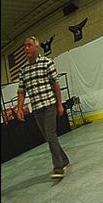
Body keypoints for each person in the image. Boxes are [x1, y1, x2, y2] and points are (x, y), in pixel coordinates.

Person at [15, 36, 70, 179]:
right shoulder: (23, 70)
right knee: (49, 137)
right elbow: (21, 91)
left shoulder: (47, 63)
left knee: (51, 135)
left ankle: (58, 168)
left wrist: (59, 104)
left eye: (29, 45)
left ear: (36, 47)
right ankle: (64, 159)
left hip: (49, 106)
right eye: (25, 46)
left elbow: (55, 84)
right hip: (36, 109)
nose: (26, 48)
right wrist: (20, 108)